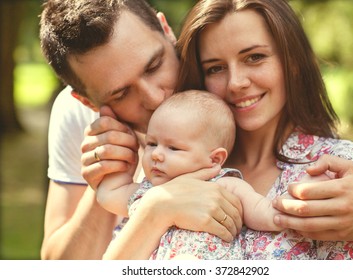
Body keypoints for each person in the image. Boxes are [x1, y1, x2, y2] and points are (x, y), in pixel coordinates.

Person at [102, 0, 353, 259]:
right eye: (215, 68)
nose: (236, 83)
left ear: (292, 62)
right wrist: (156, 210)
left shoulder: (333, 169)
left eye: (254, 57)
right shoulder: (171, 164)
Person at [39, 0, 242, 260]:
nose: (156, 99)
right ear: (87, 102)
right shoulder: (77, 115)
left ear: (166, 30)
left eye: (154, 66)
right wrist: (106, 178)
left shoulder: (223, 81)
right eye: (122, 93)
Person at [97, 90, 290, 259]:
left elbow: (257, 209)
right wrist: (114, 152)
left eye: (173, 148)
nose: (156, 154)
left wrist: (283, 215)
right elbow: (109, 195)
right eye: (152, 143)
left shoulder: (221, 184)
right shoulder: (148, 191)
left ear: (214, 159)